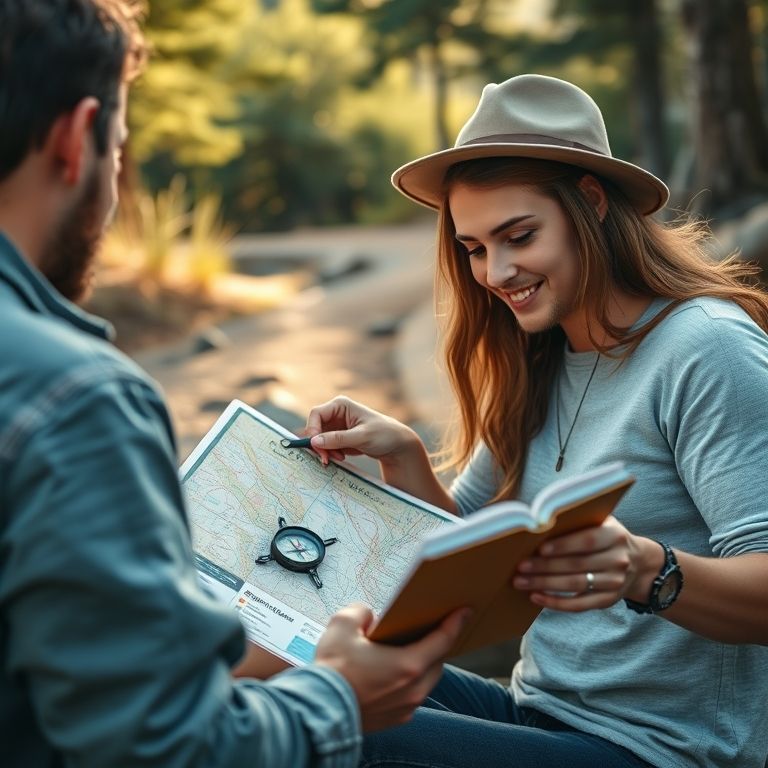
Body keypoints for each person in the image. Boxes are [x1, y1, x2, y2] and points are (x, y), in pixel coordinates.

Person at [0, 2, 470, 766]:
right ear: (74, 139)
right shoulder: (77, 399)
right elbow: (162, 749)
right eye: (118, 149)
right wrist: (339, 698)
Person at [304, 74, 768, 768]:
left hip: (664, 750)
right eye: (473, 248)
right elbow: (468, 562)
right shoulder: (541, 357)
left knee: (330, 734)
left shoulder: (705, 349)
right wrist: (405, 459)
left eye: (519, 235)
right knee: (299, 685)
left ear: (591, 201)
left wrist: (646, 567)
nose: (496, 271)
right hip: (540, 710)